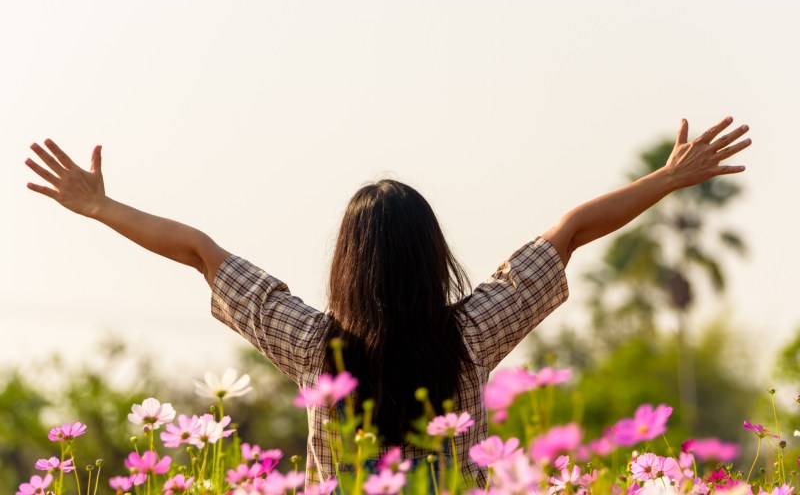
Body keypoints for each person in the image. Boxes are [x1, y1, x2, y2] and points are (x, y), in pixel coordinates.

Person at [25, 116, 750, 486]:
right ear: (434, 256)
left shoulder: (312, 346)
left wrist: (101, 208)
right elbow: (570, 234)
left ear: (346, 265)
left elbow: (199, 252)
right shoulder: (472, 333)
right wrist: (664, 181)